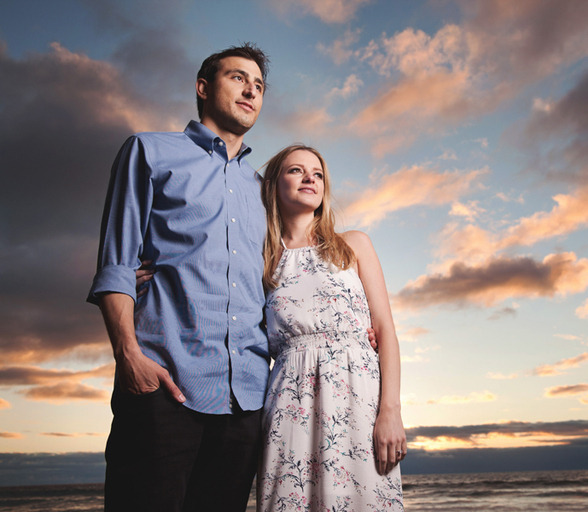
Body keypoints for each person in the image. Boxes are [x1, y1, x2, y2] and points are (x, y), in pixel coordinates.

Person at [87, 44, 271, 512]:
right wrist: (129, 356)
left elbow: (275, 284)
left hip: (246, 399)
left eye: (259, 85)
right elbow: (117, 263)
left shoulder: (262, 190)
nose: (251, 90)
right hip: (163, 385)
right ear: (203, 87)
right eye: (238, 78)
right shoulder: (149, 151)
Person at [257, 145, 406, 510]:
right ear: (274, 184)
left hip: (359, 399)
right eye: (296, 170)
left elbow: (385, 330)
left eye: (318, 173)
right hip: (289, 404)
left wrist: (390, 411)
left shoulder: (353, 244)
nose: (310, 178)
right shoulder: (261, 260)